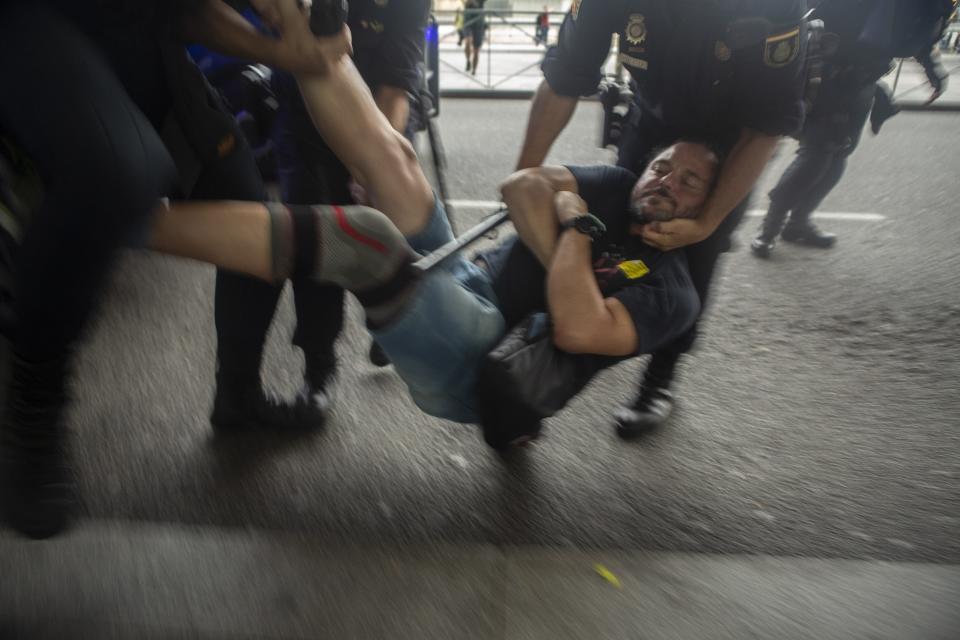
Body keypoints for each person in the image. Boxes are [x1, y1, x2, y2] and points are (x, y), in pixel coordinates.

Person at [0, 0, 349, 539]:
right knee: (118, 173)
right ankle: (33, 403)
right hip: (38, 25)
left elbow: (190, 13)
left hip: (142, 47)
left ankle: (238, 393)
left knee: (252, 216)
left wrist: (281, 48)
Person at [146, 140, 717, 449]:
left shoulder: (672, 290)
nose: (667, 180)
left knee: (365, 239)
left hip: (483, 364)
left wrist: (578, 228)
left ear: (705, 213)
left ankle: (123, 220)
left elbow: (575, 328)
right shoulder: (619, 186)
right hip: (471, 287)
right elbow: (521, 186)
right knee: (395, 159)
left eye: (688, 181)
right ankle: (317, 50)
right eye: (661, 167)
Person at [514, 0, 809, 437]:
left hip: (729, 148)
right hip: (651, 128)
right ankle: (536, 373)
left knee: (693, 259)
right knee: (606, 237)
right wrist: (525, 173)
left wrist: (707, 222)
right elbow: (564, 80)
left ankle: (660, 379)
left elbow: (763, 129)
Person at [212, 0, 430, 431]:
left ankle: (396, 319)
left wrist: (373, 169)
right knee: (316, 226)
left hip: (376, 109)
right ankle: (319, 365)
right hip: (301, 99)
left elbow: (395, 88)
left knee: (396, 208)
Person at [751, 0, 954, 257]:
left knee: (839, 154)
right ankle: (770, 227)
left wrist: (934, 71)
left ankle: (797, 222)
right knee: (815, 156)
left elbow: (918, 32)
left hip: (863, 82)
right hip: (829, 76)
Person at [463, 0, 488, 75]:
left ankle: (474, 70)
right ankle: (468, 60)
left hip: (479, 25)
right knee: (468, 42)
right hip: (468, 23)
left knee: (476, 51)